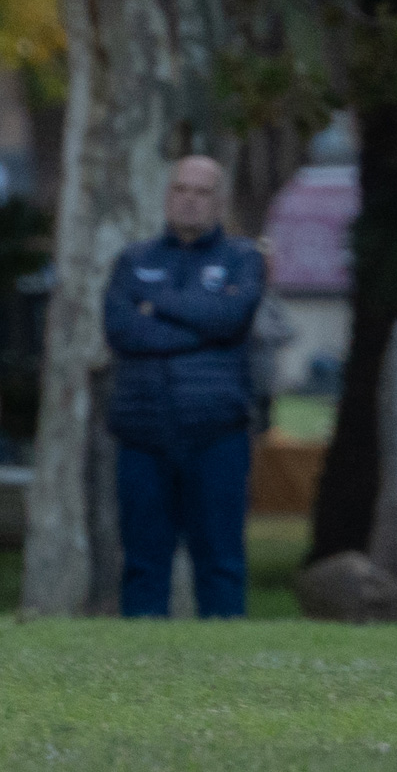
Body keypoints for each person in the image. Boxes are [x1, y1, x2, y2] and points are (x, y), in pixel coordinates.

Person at [103, 155, 263, 618]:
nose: (189, 200)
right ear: (167, 194)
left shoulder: (243, 259)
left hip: (217, 433)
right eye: (181, 189)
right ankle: (141, 668)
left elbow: (231, 318)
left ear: (220, 201)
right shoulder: (132, 260)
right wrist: (201, 325)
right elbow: (122, 331)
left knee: (221, 563)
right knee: (142, 564)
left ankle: (227, 666)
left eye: (202, 191)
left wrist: (155, 302)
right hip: (141, 434)